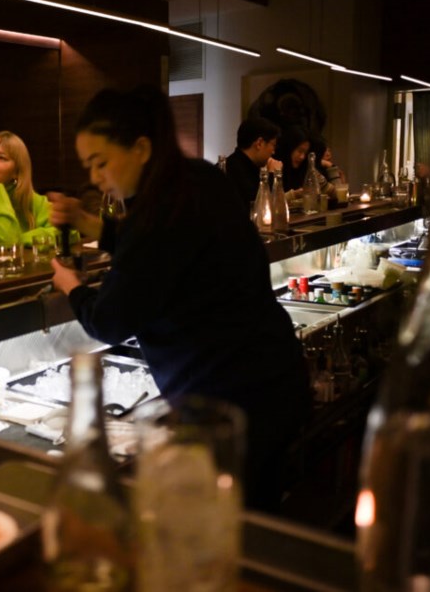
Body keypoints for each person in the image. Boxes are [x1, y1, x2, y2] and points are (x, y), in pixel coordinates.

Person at [49, 87, 310, 512]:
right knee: (260, 518)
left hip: (230, 402)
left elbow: (109, 321)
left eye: (100, 162)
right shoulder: (199, 178)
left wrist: (70, 286)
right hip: (275, 377)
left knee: (232, 531)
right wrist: (87, 221)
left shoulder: (155, 213)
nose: (95, 177)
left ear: (140, 148)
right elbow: (160, 252)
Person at [224, 117, 282, 212]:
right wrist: (272, 174)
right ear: (259, 143)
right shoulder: (233, 169)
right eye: (273, 145)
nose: (273, 152)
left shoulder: (248, 165)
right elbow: (258, 208)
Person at [278, 125, 335, 201]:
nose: (302, 157)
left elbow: (334, 192)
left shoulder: (305, 169)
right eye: (300, 151)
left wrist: (332, 167)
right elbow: (269, 203)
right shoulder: (275, 167)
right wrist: (294, 195)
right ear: (289, 148)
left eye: (305, 153)